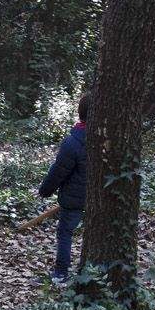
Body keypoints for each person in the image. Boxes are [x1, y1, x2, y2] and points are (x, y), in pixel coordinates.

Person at [37, 93, 89, 285]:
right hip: (97, 199)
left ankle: (60, 274)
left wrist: (45, 190)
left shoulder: (73, 142)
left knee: (65, 233)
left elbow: (58, 171)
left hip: (75, 200)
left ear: (80, 112)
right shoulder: (107, 139)